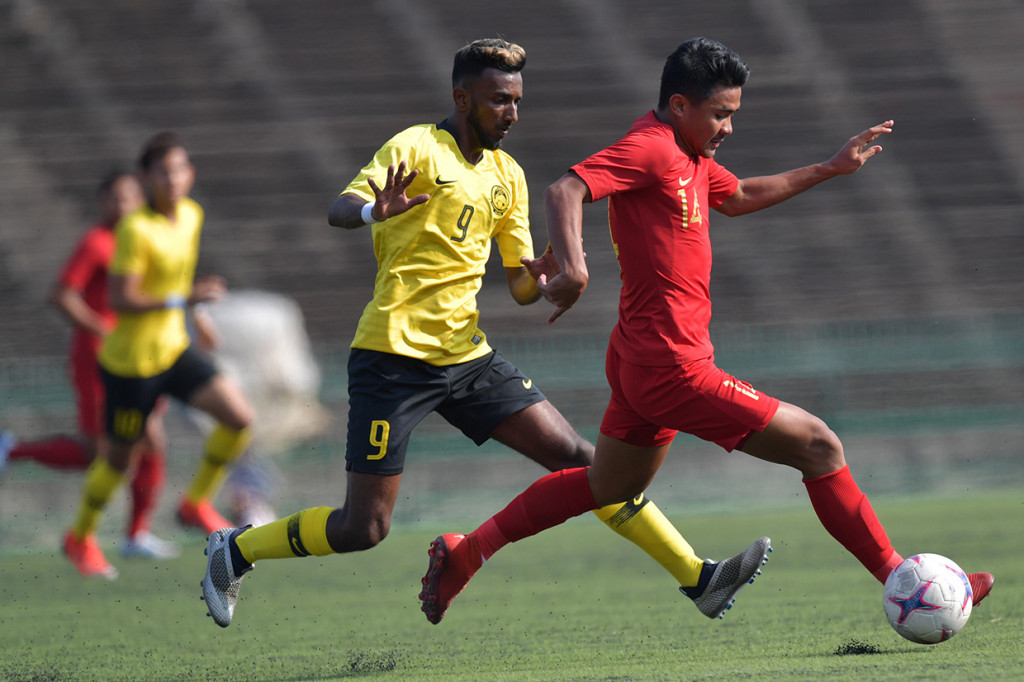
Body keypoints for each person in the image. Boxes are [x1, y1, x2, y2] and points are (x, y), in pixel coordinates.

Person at [417, 36, 995, 624]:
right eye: (720, 114)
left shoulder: (691, 157)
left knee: (607, 485)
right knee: (819, 446)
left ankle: (469, 551)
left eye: (733, 115)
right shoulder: (652, 148)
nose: (728, 128)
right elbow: (565, 188)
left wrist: (830, 167)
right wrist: (575, 268)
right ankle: (904, 578)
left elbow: (740, 194)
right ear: (678, 106)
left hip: (644, 358)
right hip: (673, 366)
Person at [200, 37, 769, 629]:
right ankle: (235, 550)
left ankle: (697, 578)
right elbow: (339, 208)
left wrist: (546, 279)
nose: (512, 113)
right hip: (391, 358)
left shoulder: (508, 175)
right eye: (499, 100)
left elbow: (520, 285)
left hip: (468, 358)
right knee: (362, 528)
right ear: (462, 97)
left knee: (584, 462)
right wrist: (375, 210)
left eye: (518, 100)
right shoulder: (415, 146)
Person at [61, 132, 254, 579]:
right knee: (118, 462)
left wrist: (198, 315)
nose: (173, 179)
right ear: (147, 178)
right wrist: (184, 299)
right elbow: (122, 298)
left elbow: (179, 282)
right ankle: (79, 536)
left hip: (172, 350)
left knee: (239, 417)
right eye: (163, 172)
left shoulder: (191, 215)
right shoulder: (134, 228)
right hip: (130, 365)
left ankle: (194, 504)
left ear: (191, 173)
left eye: (180, 169)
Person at [0, 171, 178, 561]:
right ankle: (13, 451)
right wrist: (104, 329)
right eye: (115, 198)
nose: (123, 205)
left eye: (130, 197)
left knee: (150, 443)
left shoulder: (144, 238)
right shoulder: (97, 242)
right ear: (102, 203)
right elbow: (61, 294)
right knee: (100, 453)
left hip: (140, 358)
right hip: (97, 361)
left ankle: (136, 535)